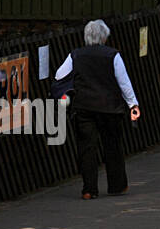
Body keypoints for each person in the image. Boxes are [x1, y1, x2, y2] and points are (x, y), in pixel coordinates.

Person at [55, 20, 141, 200]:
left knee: (87, 148)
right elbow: (123, 82)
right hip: (110, 108)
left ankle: (89, 189)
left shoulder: (76, 55)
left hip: (84, 107)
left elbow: (59, 75)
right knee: (113, 146)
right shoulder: (112, 55)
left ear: (86, 36)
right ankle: (117, 186)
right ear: (104, 37)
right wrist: (133, 104)